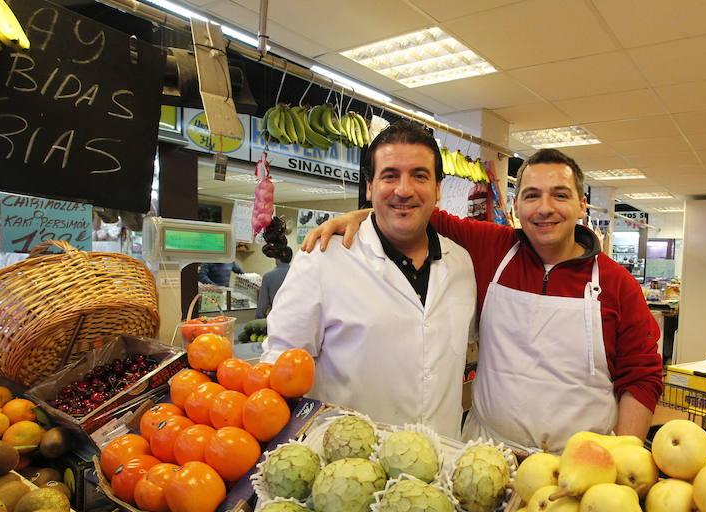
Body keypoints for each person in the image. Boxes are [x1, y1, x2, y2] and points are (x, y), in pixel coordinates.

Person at [302, 148, 663, 451]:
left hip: (580, 463)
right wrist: (359, 215)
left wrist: (623, 460)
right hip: (488, 453)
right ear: (516, 207)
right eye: (532, 195)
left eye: (561, 195)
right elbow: (416, 211)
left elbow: (642, 377)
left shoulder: (618, 284)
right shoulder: (492, 248)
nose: (545, 208)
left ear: (582, 205)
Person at [261, 120, 476, 438]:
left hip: (440, 464)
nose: (404, 190)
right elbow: (280, 364)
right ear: (370, 187)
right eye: (390, 176)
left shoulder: (461, 264)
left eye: (419, 175)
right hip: (347, 469)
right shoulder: (322, 258)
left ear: (438, 188)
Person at [256, 216, 293, 318]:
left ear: (275, 256)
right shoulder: (299, 273)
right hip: (297, 320)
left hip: (277, 319)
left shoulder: (269, 277)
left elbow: (262, 306)